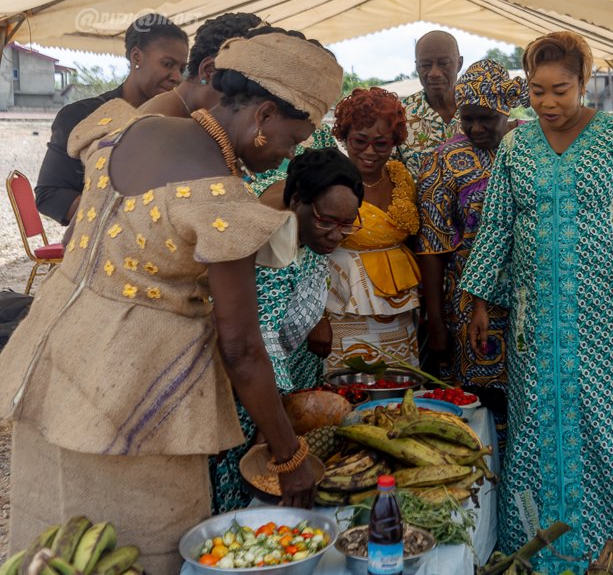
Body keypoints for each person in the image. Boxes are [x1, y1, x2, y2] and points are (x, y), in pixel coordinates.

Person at [0, 29, 343, 572]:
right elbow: (242, 349)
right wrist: (290, 454)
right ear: (263, 115)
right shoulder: (219, 199)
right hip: (137, 395)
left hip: (54, 363)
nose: (290, 154)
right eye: (293, 139)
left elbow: (184, 100)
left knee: (56, 546)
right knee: (138, 546)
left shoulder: (129, 126)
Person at [460, 31, 613, 575]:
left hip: (607, 313)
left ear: (584, 82)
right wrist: (479, 301)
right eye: (537, 91)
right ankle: (540, 555)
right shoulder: (516, 147)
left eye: (560, 90)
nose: (547, 103)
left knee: (612, 428)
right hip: (534, 320)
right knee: (537, 427)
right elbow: (498, 225)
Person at [211, 146, 364, 513]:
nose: (336, 236)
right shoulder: (268, 249)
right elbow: (255, 350)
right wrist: (278, 436)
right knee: (250, 499)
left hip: (285, 387)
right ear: (296, 201)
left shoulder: (305, 227)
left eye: (347, 225)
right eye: (327, 222)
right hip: (251, 400)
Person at [415, 59, 526, 453]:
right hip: (469, 304)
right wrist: (435, 320)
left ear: (506, 112)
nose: (476, 128)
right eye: (467, 119)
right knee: (478, 404)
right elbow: (433, 246)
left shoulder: (533, 148)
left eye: (486, 118)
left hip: (531, 299)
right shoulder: (443, 160)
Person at [35, 13, 189, 225]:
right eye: (167, 64)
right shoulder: (83, 116)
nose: (177, 77)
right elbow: (50, 195)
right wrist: (123, 222)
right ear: (137, 57)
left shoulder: (181, 124)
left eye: (182, 69)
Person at [320, 87, 421, 369]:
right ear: (344, 137)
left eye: (381, 144)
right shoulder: (329, 180)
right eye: (359, 141)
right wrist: (317, 319)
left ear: (394, 141)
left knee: (399, 384)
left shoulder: (400, 178)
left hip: (399, 308)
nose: (369, 152)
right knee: (348, 384)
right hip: (343, 308)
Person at [139, 12, 262, 117]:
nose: (245, 105)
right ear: (208, 71)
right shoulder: (163, 122)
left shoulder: (180, 113)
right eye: (243, 90)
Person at [396, 30, 463, 174]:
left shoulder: (479, 108)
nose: (434, 73)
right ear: (417, 67)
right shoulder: (399, 116)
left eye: (443, 63)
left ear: (459, 64)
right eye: (425, 65)